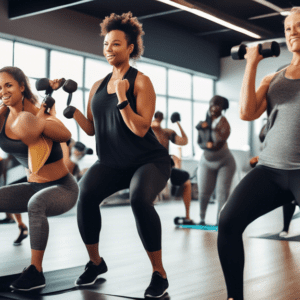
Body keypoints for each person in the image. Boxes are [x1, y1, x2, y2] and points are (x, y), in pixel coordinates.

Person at [63, 12, 171, 298]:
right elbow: (90, 129)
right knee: (85, 195)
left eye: (116, 44)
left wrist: (123, 99)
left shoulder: (141, 82)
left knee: (139, 199)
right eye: (106, 44)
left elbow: (140, 129)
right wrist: (74, 113)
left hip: (148, 160)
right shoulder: (97, 86)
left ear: (130, 48)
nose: (109, 49)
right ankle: (95, 263)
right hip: (111, 162)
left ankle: (159, 273)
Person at [218, 8, 300, 300]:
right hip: (270, 170)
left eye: (299, 26)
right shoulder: (274, 78)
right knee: (228, 222)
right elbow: (246, 112)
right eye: (289, 28)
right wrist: (251, 64)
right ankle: (234, 298)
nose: (293, 32)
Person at [0, 66, 79, 291]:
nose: (3, 91)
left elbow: (65, 135)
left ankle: (36, 272)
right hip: (32, 186)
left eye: (8, 85)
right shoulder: (3, 116)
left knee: (36, 204)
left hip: (62, 188)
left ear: (22, 86)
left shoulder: (39, 113)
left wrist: (42, 121)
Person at [195, 96, 236, 226]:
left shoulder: (225, 124)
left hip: (225, 162)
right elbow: (199, 142)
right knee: (203, 192)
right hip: (206, 161)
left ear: (223, 108)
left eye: (218, 105)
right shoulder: (203, 123)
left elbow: (218, 143)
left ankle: (220, 222)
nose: (214, 107)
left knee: (222, 194)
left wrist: (209, 128)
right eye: (212, 104)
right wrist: (203, 127)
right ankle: (201, 219)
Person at [151, 111, 194, 224]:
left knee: (186, 180)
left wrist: (178, 123)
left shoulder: (166, 132)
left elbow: (184, 141)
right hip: (149, 168)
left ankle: (187, 217)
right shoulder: (145, 129)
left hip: (165, 167)